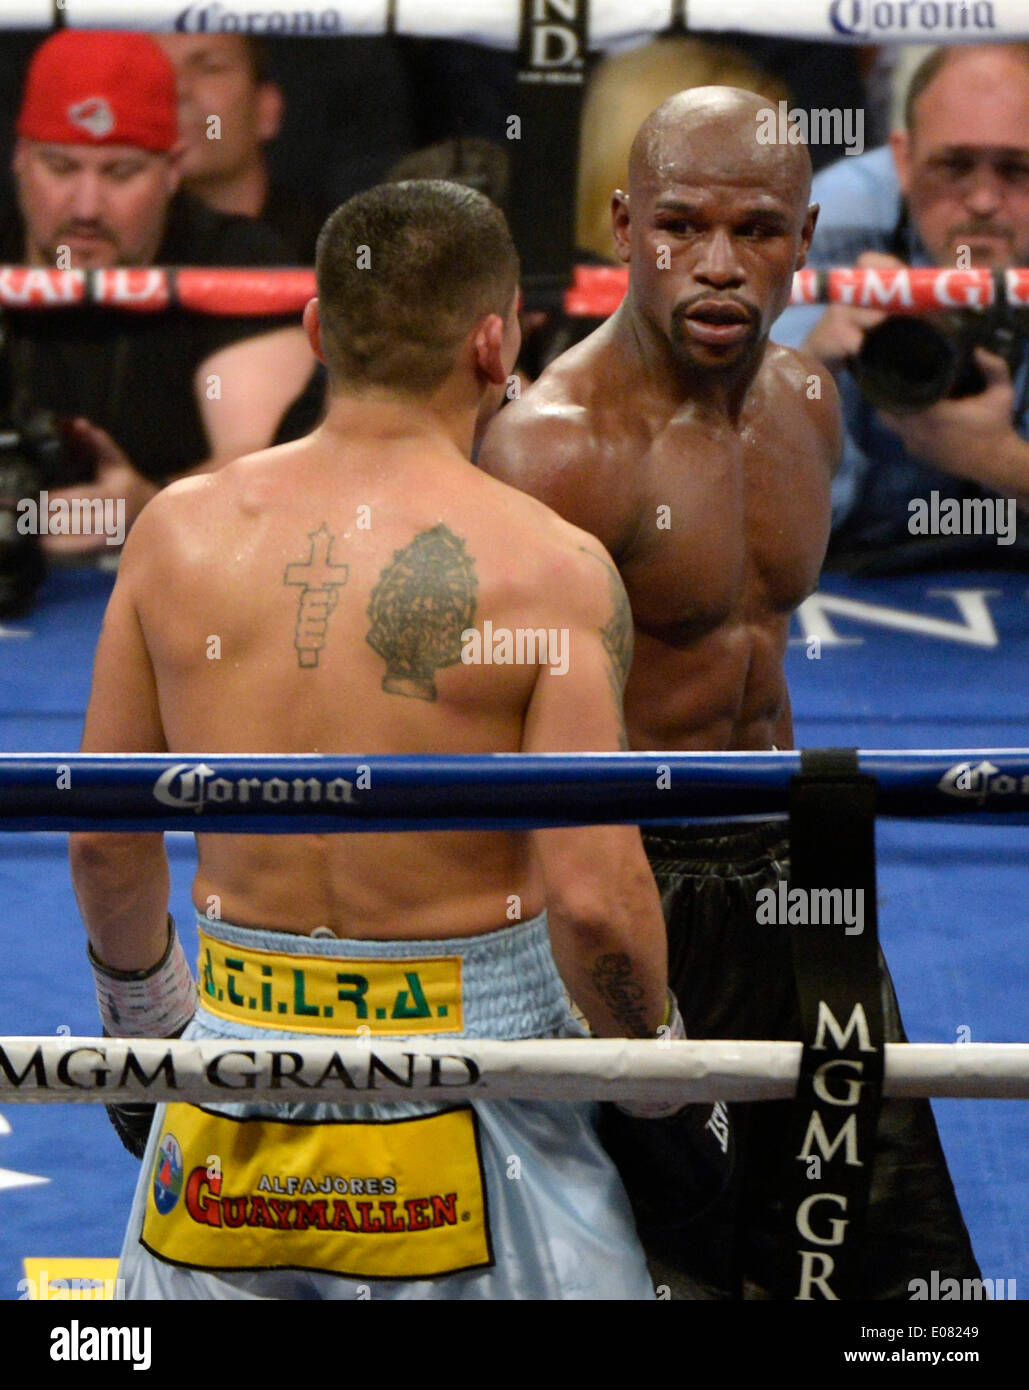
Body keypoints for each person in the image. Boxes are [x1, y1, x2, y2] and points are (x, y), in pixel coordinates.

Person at [69, 179, 674, 1301]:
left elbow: (108, 839)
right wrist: (660, 1066)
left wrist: (146, 1040)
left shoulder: (176, 534)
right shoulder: (550, 567)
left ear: (313, 330)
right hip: (477, 1079)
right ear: (495, 344)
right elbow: (596, 896)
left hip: (230, 1081)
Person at [479, 87, 980, 1299]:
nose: (717, 265)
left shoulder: (806, 403)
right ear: (621, 226)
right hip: (627, 885)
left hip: (795, 865)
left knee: (902, 1271)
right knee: (678, 1269)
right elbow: (488, 735)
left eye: (756, 229)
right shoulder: (555, 448)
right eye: (680, 225)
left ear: (808, 239)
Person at [2, 29, 319, 557]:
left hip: (180, 584)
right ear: (19, 157)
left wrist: (146, 508)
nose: (85, 207)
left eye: (119, 172)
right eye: (59, 167)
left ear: (171, 171)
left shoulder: (236, 261)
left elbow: (259, 472)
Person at [774, 44, 1029, 569]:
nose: (983, 201)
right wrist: (808, 378)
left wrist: (1001, 461)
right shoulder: (833, 221)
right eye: (954, 166)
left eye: (1016, 170)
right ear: (904, 160)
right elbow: (738, 512)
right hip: (853, 577)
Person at [154, 33, 331, 263]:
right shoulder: (120, 251)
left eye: (210, 68)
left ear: (267, 109)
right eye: (158, 69)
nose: (178, 89)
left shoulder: (331, 248)